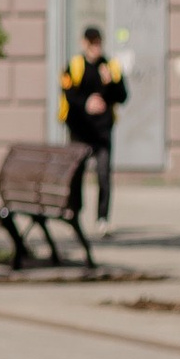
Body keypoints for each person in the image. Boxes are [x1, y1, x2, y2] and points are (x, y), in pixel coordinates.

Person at [60, 22, 127, 226]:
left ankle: (102, 218)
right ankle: (74, 212)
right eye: (91, 44)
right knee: (76, 174)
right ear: (84, 43)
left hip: (102, 131)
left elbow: (123, 96)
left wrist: (111, 84)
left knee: (104, 175)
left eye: (98, 43)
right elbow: (68, 95)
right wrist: (86, 103)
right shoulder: (74, 66)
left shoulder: (110, 67)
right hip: (80, 130)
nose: (95, 48)